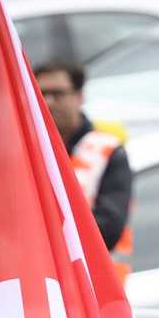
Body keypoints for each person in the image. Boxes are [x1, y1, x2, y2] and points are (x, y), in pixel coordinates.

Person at [34, 59, 133, 257]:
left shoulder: (108, 150)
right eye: (41, 94)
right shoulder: (28, 150)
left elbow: (109, 230)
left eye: (58, 94)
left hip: (94, 279)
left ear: (79, 96)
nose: (48, 102)